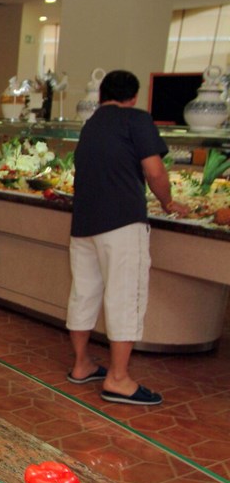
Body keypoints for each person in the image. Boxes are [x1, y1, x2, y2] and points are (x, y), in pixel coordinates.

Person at [65, 69, 189, 406]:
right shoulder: (136, 119)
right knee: (124, 297)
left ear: (103, 94)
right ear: (134, 97)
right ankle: (118, 379)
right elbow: (154, 170)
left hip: (84, 224)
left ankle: (81, 364)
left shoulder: (91, 124)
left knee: (84, 293)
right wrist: (167, 201)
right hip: (121, 223)